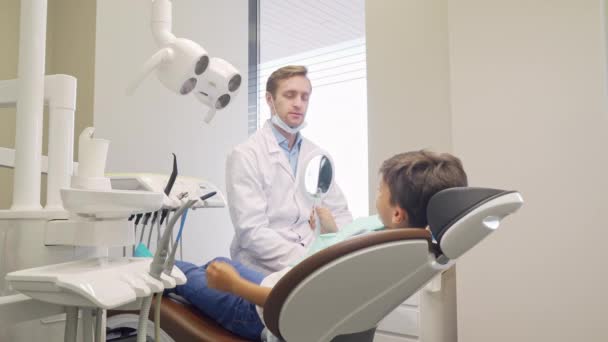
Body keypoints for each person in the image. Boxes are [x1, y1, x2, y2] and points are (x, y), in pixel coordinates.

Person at [171, 150, 468, 341]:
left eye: (381, 190)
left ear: (398, 213)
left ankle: (146, 263)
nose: (376, 194)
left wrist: (234, 286)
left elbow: (296, 302)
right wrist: (331, 231)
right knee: (220, 260)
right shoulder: (401, 242)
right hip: (274, 285)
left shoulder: (372, 255)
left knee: (179, 273)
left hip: (260, 312)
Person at [226, 65, 352, 274]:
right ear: (270, 99)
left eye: (304, 97)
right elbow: (252, 232)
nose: (298, 104)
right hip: (263, 268)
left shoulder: (317, 156)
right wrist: (307, 259)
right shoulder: (245, 155)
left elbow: (341, 213)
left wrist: (328, 239)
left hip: (313, 263)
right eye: (290, 95)